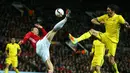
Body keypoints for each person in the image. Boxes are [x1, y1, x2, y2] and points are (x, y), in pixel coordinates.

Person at [70, 4, 130, 73]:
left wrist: (127, 25)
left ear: (113, 11)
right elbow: (93, 20)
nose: (107, 11)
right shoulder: (105, 17)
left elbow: (125, 23)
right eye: (107, 10)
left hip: (113, 41)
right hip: (105, 36)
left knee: (111, 60)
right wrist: (100, 23)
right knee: (92, 31)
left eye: (108, 10)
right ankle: (76, 40)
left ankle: (116, 71)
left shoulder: (119, 17)